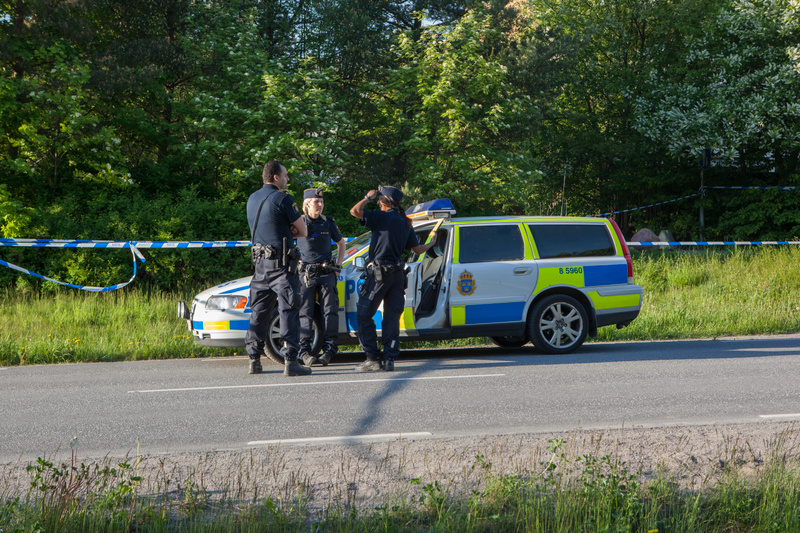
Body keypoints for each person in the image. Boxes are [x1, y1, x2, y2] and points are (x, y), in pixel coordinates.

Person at [349, 186, 436, 371]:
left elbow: (355, 211)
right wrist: (432, 243)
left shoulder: (382, 217)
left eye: (379, 196)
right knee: (391, 318)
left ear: (385, 200)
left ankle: (372, 359)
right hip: (397, 275)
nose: (377, 198)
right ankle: (389, 359)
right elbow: (417, 250)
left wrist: (367, 197)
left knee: (363, 314)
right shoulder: (405, 222)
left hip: (379, 275)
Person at [245, 161, 311, 377]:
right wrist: (288, 229)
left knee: (259, 312)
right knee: (288, 310)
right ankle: (291, 361)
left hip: (260, 265)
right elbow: (303, 231)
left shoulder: (252, 198)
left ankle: (254, 360)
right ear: (276, 177)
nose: (287, 179)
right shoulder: (283, 199)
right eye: (285, 175)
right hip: (281, 266)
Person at [296, 188, 346, 366]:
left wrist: (338, 265)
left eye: (322, 202)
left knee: (329, 313)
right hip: (306, 275)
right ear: (307, 204)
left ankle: (329, 352)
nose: (320, 205)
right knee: (305, 313)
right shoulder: (299, 222)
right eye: (316, 202)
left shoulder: (328, 222)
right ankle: (304, 352)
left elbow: (341, 243)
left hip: (326, 273)